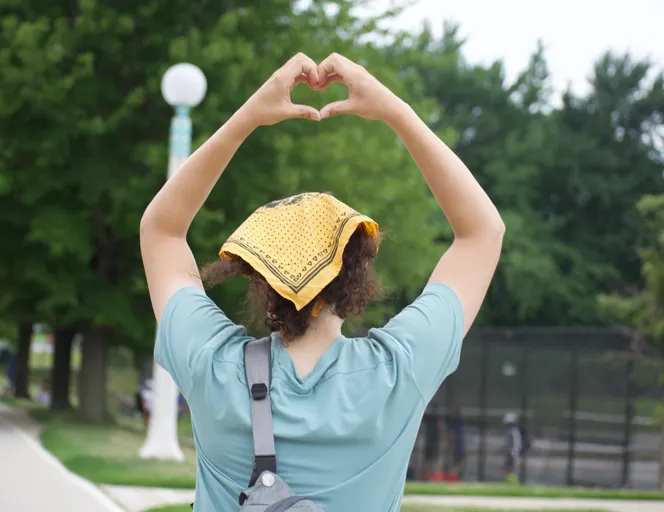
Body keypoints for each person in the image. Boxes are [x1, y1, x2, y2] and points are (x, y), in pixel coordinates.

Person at [140, 52, 504, 511]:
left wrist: (247, 118)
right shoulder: (398, 372)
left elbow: (161, 231)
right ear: (356, 277)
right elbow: (482, 234)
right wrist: (396, 111)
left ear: (259, 275)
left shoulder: (212, 366)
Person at [421, 403, 443, 480]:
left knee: (433, 461)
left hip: (434, 444)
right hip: (429, 443)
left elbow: (439, 430)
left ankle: (433, 478)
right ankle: (427, 477)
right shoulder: (429, 418)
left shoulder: (437, 418)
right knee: (428, 461)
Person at [446, 406, 467, 480]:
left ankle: (458, 476)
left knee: (462, 461)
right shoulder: (455, 421)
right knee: (456, 462)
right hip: (457, 445)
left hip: (462, 445)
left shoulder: (462, 421)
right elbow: (450, 434)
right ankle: (454, 477)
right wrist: (450, 444)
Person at [503, 412, 522, 484]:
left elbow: (516, 443)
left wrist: (514, 452)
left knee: (511, 468)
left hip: (512, 453)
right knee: (508, 468)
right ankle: (509, 481)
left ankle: (512, 482)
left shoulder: (514, 431)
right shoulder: (511, 430)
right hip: (510, 453)